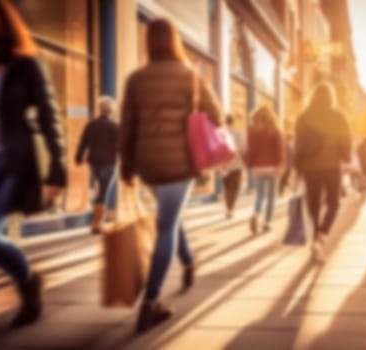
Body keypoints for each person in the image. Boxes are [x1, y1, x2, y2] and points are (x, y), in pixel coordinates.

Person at [119, 18, 222, 333]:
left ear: (149, 42)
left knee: (169, 218)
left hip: (148, 165)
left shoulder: (136, 80)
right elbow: (216, 115)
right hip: (180, 164)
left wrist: (127, 170)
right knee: (167, 225)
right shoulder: (191, 77)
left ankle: (189, 262)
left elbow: (127, 128)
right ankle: (150, 304)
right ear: (175, 41)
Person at [0, 0, 66, 327]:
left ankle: (27, 278)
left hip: (9, 162)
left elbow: (48, 116)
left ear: (4, 23)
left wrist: (57, 164)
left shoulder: (25, 66)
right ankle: (27, 278)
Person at [295, 83, 351, 263]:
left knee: (314, 204)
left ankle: (315, 237)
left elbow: (298, 145)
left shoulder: (303, 118)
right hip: (331, 165)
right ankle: (321, 236)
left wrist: (297, 168)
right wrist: (346, 156)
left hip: (311, 167)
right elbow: (346, 138)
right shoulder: (338, 116)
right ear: (330, 97)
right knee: (334, 204)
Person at [75, 96, 119, 233]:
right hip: (109, 163)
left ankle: (97, 221)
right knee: (103, 191)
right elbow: (122, 146)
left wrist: (78, 157)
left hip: (94, 162)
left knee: (99, 190)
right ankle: (97, 223)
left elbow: (83, 142)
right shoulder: (116, 125)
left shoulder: (91, 125)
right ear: (112, 110)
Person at [247, 105, 284, 234]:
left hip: (257, 167)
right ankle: (267, 223)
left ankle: (255, 215)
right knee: (271, 197)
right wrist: (280, 165)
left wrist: (250, 165)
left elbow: (250, 150)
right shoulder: (275, 130)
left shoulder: (251, 130)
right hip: (272, 168)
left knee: (260, 195)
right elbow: (279, 149)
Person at [219, 114, 245, 219]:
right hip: (236, 165)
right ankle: (230, 209)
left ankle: (228, 209)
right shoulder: (238, 133)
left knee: (227, 188)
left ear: (225, 122)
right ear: (233, 123)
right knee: (235, 188)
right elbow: (243, 148)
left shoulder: (221, 133)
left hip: (224, 166)